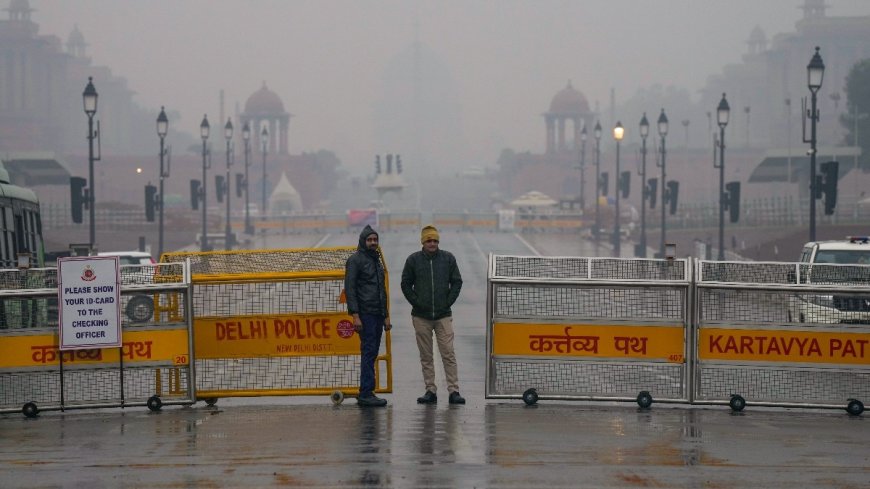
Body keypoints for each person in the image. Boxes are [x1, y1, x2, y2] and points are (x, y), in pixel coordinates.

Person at [401, 225, 465, 405]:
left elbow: (457, 281)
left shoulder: (448, 258)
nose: (432, 243)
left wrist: (447, 302)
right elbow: (405, 283)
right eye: (429, 240)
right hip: (421, 316)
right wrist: (417, 301)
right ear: (423, 242)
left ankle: (454, 391)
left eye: (435, 240)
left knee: (448, 353)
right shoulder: (413, 260)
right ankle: (430, 390)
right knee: (426, 356)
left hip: (443, 315)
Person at [345, 224, 391, 407]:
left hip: (377, 314)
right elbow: (350, 289)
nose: (373, 242)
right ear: (363, 242)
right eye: (369, 240)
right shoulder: (355, 260)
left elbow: (382, 291)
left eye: (375, 239)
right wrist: (355, 315)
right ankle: (366, 392)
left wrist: (386, 315)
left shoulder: (376, 260)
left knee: (371, 353)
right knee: (368, 352)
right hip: (365, 314)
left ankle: (367, 391)